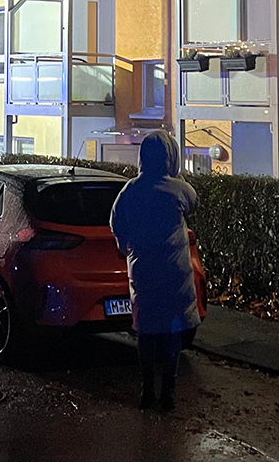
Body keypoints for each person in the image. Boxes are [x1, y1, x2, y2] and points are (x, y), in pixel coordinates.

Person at [110, 130, 201, 412]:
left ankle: (147, 389)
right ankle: (168, 392)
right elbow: (193, 204)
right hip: (175, 274)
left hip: (144, 271)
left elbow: (116, 223)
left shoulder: (131, 190)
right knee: (173, 332)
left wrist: (126, 247)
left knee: (147, 332)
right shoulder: (179, 190)